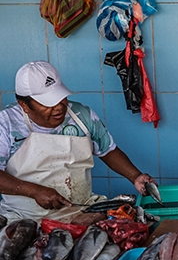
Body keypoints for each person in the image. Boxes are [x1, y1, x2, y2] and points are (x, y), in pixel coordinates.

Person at [0, 61, 154, 220]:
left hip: (81, 213)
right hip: (23, 218)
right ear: (24, 105)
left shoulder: (82, 116)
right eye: (48, 103)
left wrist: (135, 176)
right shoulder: (5, 123)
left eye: (60, 98)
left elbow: (108, 151)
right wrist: (34, 191)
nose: (59, 107)